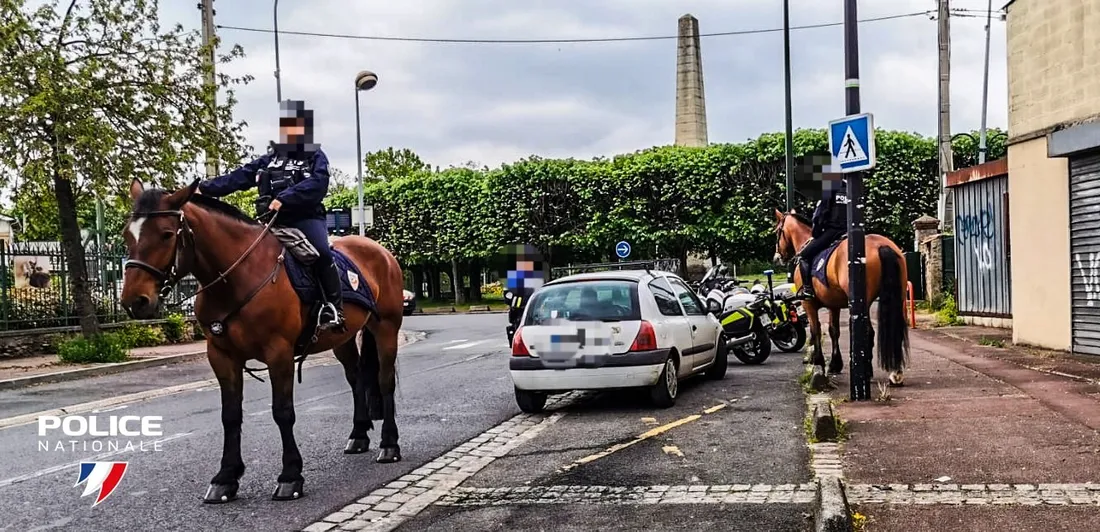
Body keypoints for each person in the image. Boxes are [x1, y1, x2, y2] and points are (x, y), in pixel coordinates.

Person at [195, 100, 344, 329]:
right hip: (270, 222)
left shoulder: (315, 156)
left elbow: (318, 183)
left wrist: (286, 198)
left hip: (305, 219)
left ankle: (333, 308)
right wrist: (204, 188)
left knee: (322, 253)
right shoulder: (270, 158)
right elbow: (240, 177)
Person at [795, 177, 849, 300]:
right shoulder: (852, 187)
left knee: (804, 256)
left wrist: (816, 233)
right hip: (853, 231)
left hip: (833, 232)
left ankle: (808, 290)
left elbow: (820, 214)